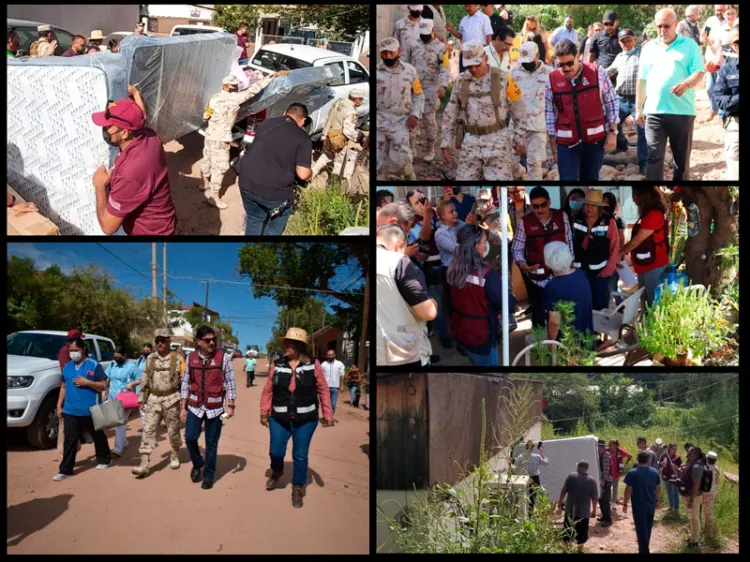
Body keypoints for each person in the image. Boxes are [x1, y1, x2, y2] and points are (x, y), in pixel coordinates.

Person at [260, 328, 333, 508]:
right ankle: (277, 471)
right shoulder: (277, 365)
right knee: (276, 451)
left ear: (299, 346)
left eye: (289, 344)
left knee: (300, 455)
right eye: (284, 343)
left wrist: (328, 412)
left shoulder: (313, 364)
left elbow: (323, 389)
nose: (285, 346)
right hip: (279, 418)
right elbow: (268, 389)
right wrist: (263, 411)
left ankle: (298, 487)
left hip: (306, 419)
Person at [90, 87, 177, 235]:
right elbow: (140, 118)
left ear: (124, 133)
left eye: (108, 127)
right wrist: (136, 94)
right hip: (164, 221)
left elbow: (107, 227)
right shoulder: (150, 137)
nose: (104, 129)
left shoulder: (129, 174)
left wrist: (99, 186)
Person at [440, 40, 527, 181]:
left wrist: (519, 138)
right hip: (470, 143)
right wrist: (445, 142)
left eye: (476, 65)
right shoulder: (461, 81)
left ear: (485, 58)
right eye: (469, 66)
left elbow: (519, 108)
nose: (473, 69)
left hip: (498, 142)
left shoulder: (503, 77)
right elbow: (451, 112)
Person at [637, 8, 705, 182]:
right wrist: (638, 109)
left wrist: (686, 84)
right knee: (653, 158)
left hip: (682, 112)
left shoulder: (690, 46)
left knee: (681, 162)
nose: (662, 30)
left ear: (676, 24)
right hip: (654, 113)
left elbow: (699, 71)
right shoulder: (648, 48)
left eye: (666, 26)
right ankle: (654, 198)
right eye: (659, 26)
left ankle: (679, 198)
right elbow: (642, 80)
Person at [201, 71, 284, 210]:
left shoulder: (214, 98)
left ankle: (203, 183)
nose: (236, 88)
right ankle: (214, 196)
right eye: (234, 86)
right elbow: (253, 90)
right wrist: (271, 77)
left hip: (209, 135)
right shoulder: (235, 98)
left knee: (207, 159)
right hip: (221, 139)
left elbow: (205, 116)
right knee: (220, 168)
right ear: (227, 87)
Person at [545, 39, 619, 181]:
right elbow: (549, 115)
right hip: (566, 144)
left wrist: (613, 132)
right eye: (561, 65)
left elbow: (612, 102)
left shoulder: (597, 73)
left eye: (569, 63)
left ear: (577, 56)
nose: (566, 68)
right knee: (567, 179)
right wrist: (554, 149)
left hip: (594, 143)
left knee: (591, 180)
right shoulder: (552, 80)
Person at [238, 103, 313, 235]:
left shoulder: (266, 123)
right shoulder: (303, 137)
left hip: (246, 180)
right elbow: (302, 174)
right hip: (274, 191)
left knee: (254, 219)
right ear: (303, 120)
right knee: (275, 225)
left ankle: (252, 251)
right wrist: (310, 171)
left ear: (285, 112)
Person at [180, 325, 236, 490]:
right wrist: (183, 407)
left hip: (216, 408)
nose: (212, 342)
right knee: (190, 437)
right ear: (199, 342)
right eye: (208, 340)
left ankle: (209, 475)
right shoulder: (191, 358)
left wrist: (231, 405)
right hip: (195, 406)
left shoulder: (223, 357)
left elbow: (230, 382)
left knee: (211, 443)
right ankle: (198, 463)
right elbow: (186, 383)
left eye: (214, 339)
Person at [446, 223, 511, 366]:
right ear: (477, 247)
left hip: (461, 332)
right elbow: (507, 303)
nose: (486, 244)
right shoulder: (487, 275)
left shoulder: (453, 269)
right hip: (481, 336)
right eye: (483, 241)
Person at [512, 187, 574, 328]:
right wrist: (523, 264)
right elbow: (516, 248)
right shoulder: (525, 221)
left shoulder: (561, 216)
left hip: (561, 278)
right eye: (535, 206)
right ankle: (540, 348)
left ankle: (561, 346)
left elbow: (570, 243)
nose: (540, 210)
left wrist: (569, 267)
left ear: (549, 202)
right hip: (537, 280)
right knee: (539, 319)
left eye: (543, 205)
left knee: (562, 316)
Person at [376, 223, 436, 367]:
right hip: (404, 353)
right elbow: (428, 313)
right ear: (399, 245)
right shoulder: (397, 261)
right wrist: (433, 302)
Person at [53, 338, 111, 481]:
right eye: (71, 351)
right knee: (70, 439)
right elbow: (64, 386)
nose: (73, 353)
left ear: (83, 349)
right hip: (71, 410)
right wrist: (59, 405)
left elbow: (104, 385)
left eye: (75, 350)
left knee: (97, 435)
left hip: (90, 409)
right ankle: (65, 469)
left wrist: (88, 383)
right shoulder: (67, 367)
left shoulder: (93, 365)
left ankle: (104, 459)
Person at [131, 330, 183, 478]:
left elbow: (185, 380)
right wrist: (141, 397)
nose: (160, 343)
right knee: (148, 430)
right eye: (157, 340)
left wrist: (185, 402)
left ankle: (174, 453)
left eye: (163, 340)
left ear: (169, 341)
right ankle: (144, 464)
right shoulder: (151, 359)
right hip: (154, 399)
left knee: (173, 431)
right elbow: (145, 377)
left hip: (171, 399)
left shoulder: (177, 358)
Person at [376, 37, 424, 181]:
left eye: (391, 52)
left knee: (403, 162)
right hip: (379, 123)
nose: (388, 56)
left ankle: (410, 179)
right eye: (384, 53)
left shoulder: (410, 71)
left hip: (401, 122)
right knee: (378, 163)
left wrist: (415, 115)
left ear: (399, 51)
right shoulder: (376, 72)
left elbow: (419, 95)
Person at [403, 19, 449, 162]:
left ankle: (430, 149)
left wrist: (443, 85)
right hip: (414, 88)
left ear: (432, 30)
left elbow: (445, 68)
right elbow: (405, 64)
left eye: (426, 34)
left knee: (429, 119)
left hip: (431, 88)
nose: (424, 36)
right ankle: (411, 147)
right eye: (422, 34)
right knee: (412, 116)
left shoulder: (441, 48)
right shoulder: (413, 44)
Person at [618, 186, 668, 306]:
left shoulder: (654, 215)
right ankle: (645, 322)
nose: (634, 199)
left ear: (647, 197)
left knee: (653, 301)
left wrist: (621, 253)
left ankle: (652, 323)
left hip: (654, 265)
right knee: (644, 299)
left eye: (636, 195)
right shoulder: (647, 215)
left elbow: (637, 240)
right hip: (644, 264)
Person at [606, 29, 648, 174]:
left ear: (634, 40)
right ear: (619, 43)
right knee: (611, 123)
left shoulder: (642, 53)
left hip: (639, 99)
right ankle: (622, 145)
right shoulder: (619, 57)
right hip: (621, 98)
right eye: (623, 41)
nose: (626, 44)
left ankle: (644, 164)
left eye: (629, 40)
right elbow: (608, 71)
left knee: (642, 130)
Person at [572, 189, 620, 311]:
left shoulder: (609, 221)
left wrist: (608, 270)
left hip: (600, 272)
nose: (588, 208)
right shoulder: (577, 219)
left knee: (599, 304)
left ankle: (599, 329)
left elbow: (615, 247)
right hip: (579, 272)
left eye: (592, 205)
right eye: (586, 204)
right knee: (582, 303)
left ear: (599, 207)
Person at [511, 41, 553, 181]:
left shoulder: (550, 74)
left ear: (538, 56)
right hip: (516, 127)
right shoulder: (514, 73)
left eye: (529, 60)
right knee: (510, 163)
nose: (526, 64)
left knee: (534, 163)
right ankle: (521, 173)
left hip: (538, 126)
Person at [543, 242, 595, 342]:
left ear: (547, 264)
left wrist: (551, 343)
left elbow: (554, 321)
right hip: (586, 338)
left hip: (566, 345)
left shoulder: (553, 286)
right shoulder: (580, 274)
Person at [311, 89, 368, 177]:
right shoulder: (351, 112)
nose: (361, 101)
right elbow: (348, 131)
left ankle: (312, 173)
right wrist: (359, 137)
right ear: (357, 99)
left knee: (327, 155)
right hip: (338, 138)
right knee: (339, 163)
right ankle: (334, 184)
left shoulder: (338, 101)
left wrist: (324, 134)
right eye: (361, 99)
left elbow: (329, 116)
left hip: (328, 134)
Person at [623, 451, 661, 554]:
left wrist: (625, 503)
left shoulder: (633, 472)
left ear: (638, 459)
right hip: (651, 504)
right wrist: (657, 501)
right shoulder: (654, 472)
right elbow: (658, 488)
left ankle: (643, 550)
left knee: (641, 529)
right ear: (648, 460)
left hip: (638, 505)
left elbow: (628, 489)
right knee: (648, 527)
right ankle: (645, 547)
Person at [558, 460, 600, 553]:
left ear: (578, 467)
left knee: (567, 531)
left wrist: (559, 503)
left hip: (570, 511)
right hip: (584, 513)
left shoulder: (571, 476)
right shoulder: (592, 480)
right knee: (582, 533)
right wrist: (593, 511)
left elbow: (563, 491)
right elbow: (594, 498)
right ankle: (579, 550)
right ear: (586, 469)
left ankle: (566, 549)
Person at [714, 28, 738, 180]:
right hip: (735, 124)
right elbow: (720, 100)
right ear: (733, 45)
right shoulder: (727, 70)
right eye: (738, 42)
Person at [105, 346, 138, 457]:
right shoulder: (112, 365)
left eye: (119, 357)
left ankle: (118, 448)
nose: (117, 359)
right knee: (120, 422)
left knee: (120, 422)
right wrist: (104, 389)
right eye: (115, 357)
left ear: (125, 356)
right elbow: (107, 378)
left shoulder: (132, 367)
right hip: (113, 396)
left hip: (126, 398)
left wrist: (132, 384)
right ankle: (123, 442)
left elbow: (140, 379)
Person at [446, 4, 494, 72]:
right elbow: (460, 35)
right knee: (464, 74)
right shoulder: (464, 19)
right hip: (465, 52)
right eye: (465, 6)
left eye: (469, 6)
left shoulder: (484, 18)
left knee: (477, 73)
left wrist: (488, 50)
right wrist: (451, 29)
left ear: (475, 5)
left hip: (478, 52)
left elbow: (488, 34)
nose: (467, 8)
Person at [512, 440, 549, 512]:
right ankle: (530, 513)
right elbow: (546, 462)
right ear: (533, 448)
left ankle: (524, 513)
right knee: (533, 498)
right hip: (535, 479)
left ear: (525, 447)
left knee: (524, 497)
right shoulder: (537, 457)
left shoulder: (520, 457)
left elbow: (515, 468)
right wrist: (541, 453)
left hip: (524, 479)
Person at [682, 445, 707, 547]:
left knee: (694, 518)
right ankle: (692, 537)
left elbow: (696, 485)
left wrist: (691, 500)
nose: (687, 451)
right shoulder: (691, 464)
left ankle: (695, 541)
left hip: (694, 497)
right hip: (688, 495)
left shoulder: (697, 466)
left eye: (689, 450)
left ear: (693, 453)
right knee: (690, 517)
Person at [126, 342, 153, 429]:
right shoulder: (139, 360)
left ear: (151, 351)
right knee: (142, 410)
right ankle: (146, 428)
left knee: (147, 410)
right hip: (139, 388)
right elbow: (135, 374)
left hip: (149, 389)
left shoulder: (154, 360)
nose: (146, 352)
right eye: (144, 350)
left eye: (148, 351)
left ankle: (148, 430)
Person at [589, 11, 622, 78]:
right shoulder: (597, 36)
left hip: (619, 75)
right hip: (601, 75)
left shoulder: (622, 36)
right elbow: (591, 57)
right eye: (606, 24)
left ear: (617, 22)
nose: (608, 26)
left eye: (611, 23)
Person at [434, 200, 464, 267]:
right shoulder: (440, 234)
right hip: (454, 270)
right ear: (443, 216)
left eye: (455, 210)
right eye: (451, 212)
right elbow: (458, 251)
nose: (455, 213)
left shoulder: (460, 223)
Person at [609, 439, 633, 510]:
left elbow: (630, 456)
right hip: (608, 473)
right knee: (607, 488)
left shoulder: (620, 451)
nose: (611, 447)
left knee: (615, 488)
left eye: (613, 445)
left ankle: (613, 503)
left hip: (617, 473)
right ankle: (611, 500)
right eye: (610, 445)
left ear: (616, 445)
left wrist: (625, 464)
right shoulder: (607, 451)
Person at [659, 443, 683, 513]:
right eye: (673, 449)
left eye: (676, 449)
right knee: (669, 492)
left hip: (674, 478)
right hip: (666, 476)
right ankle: (670, 506)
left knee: (674, 493)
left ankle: (676, 508)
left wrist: (675, 467)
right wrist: (662, 463)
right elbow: (659, 464)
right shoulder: (664, 455)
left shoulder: (677, 457)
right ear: (669, 449)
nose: (674, 450)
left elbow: (680, 468)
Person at [321, 349, 344, 418]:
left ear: (334, 355)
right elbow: (320, 375)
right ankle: (327, 417)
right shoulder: (323, 364)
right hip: (325, 387)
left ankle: (330, 417)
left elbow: (342, 375)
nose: (330, 356)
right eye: (328, 355)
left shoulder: (340, 364)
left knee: (333, 404)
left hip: (335, 387)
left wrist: (342, 385)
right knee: (325, 403)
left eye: (331, 355)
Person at [596, 439, 614, 527]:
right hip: (603, 481)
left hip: (606, 481)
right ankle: (604, 517)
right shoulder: (601, 455)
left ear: (601, 447)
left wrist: (602, 483)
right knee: (601, 500)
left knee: (605, 500)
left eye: (598, 446)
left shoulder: (606, 456)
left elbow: (605, 471)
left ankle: (608, 519)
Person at [703, 451, 720, 538]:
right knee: (708, 511)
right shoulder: (716, 469)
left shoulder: (704, 467)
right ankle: (707, 529)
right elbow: (717, 482)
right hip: (713, 492)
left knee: (707, 512)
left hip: (705, 493)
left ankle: (710, 532)